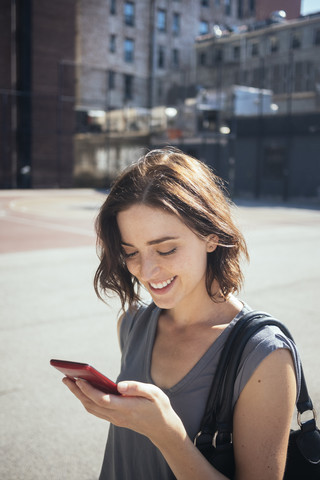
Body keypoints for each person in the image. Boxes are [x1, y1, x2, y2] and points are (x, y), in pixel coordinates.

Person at [63, 148, 300, 480]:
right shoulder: (131, 324)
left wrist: (167, 435)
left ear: (212, 236)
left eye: (166, 249)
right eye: (130, 252)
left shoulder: (264, 354)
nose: (146, 270)